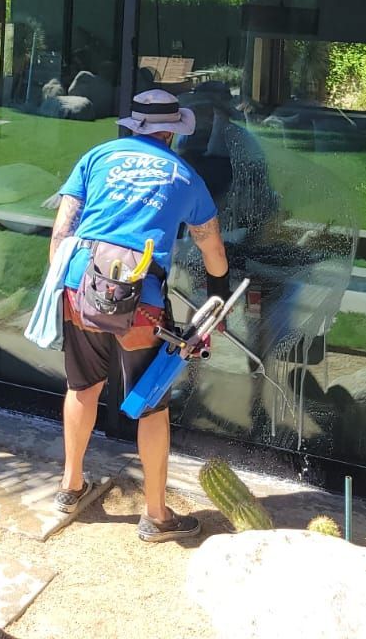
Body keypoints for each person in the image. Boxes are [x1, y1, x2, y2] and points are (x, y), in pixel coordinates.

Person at [48, 88, 231, 542]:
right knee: (150, 405)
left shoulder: (97, 157)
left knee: (82, 387)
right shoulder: (185, 176)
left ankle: (71, 487)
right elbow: (211, 245)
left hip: (81, 288)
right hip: (141, 304)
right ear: (171, 131)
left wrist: (60, 286)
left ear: (135, 125)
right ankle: (156, 516)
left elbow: (63, 228)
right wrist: (218, 297)